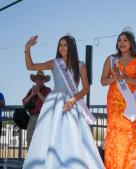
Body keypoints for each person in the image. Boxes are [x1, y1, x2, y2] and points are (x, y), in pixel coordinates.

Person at [22, 35, 105, 169]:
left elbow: (86, 88)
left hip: (72, 101)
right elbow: (30, 66)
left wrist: (73, 100)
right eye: (60, 45)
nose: (62, 48)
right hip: (55, 102)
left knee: (72, 135)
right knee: (51, 134)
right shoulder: (54, 63)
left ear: (71, 47)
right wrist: (27, 49)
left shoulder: (80, 65)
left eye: (65, 45)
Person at [101, 26, 136, 169]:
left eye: (125, 40)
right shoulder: (111, 60)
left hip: (131, 103)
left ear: (131, 43)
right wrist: (114, 79)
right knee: (114, 135)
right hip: (114, 104)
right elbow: (103, 81)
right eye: (119, 40)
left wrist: (125, 77)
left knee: (129, 136)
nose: (122, 42)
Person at [22, 71, 51, 147]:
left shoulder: (47, 90)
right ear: (35, 80)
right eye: (37, 79)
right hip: (32, 117)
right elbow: (24, 102)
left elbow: (47, 102)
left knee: (42, 139)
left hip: (43, 117)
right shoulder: (31, 90)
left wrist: (38, 93)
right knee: (29, 138)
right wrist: (32, 94)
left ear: (44, 80)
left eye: (41, 79)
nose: (39, 81)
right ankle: (30, 158)